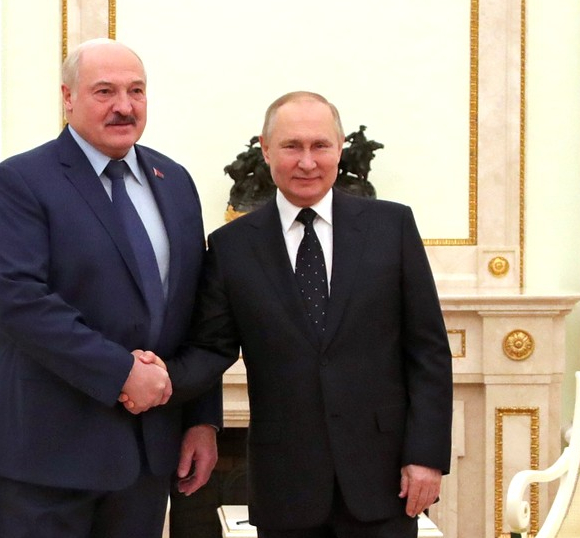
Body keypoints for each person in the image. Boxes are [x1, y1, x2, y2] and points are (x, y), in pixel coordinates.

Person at [155, 91, 453, 537]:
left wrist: (426, 455)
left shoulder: (392, 228)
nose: (307, 162)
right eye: (292, 146)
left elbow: (428, 351)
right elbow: (211, 349)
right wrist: (155, 378)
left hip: (383, 480)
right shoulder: (231, 247)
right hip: (285, 486)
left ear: (341, 147)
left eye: (320, 146)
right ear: (265, 150)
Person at [0, 38, 220, 538]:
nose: (124, 106)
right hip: (45, 450)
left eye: (136, 91)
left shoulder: (175, 181)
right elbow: (20, 302)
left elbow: (194, 310)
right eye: (105, 91)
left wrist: (201, 419)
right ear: (68, 97)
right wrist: (123, 372)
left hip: (147, 451)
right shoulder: (19, 182)